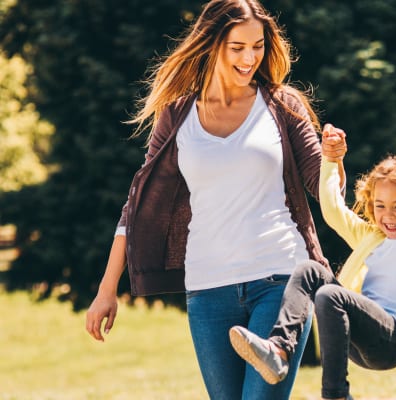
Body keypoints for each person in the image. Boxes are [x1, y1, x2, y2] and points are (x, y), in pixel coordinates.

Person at [84, 1, 331, 398]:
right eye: (237, 47)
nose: (250, 58)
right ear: (211, 44)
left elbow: (323, 186)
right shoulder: (178, 114)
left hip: (280, 277)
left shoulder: (283, 105)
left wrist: (334, 159)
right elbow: (138, 202)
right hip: (208, 288)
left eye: (257, 46)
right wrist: (107, 288)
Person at [228, 124, 396, 400]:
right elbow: (333, 209)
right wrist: (331, 161)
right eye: (380, 205)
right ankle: (279, 349)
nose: (387, 215)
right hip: (354, 334)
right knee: (309, 271)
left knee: (329, 295)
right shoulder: (373, 237)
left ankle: (336, 394)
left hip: (392, 341)